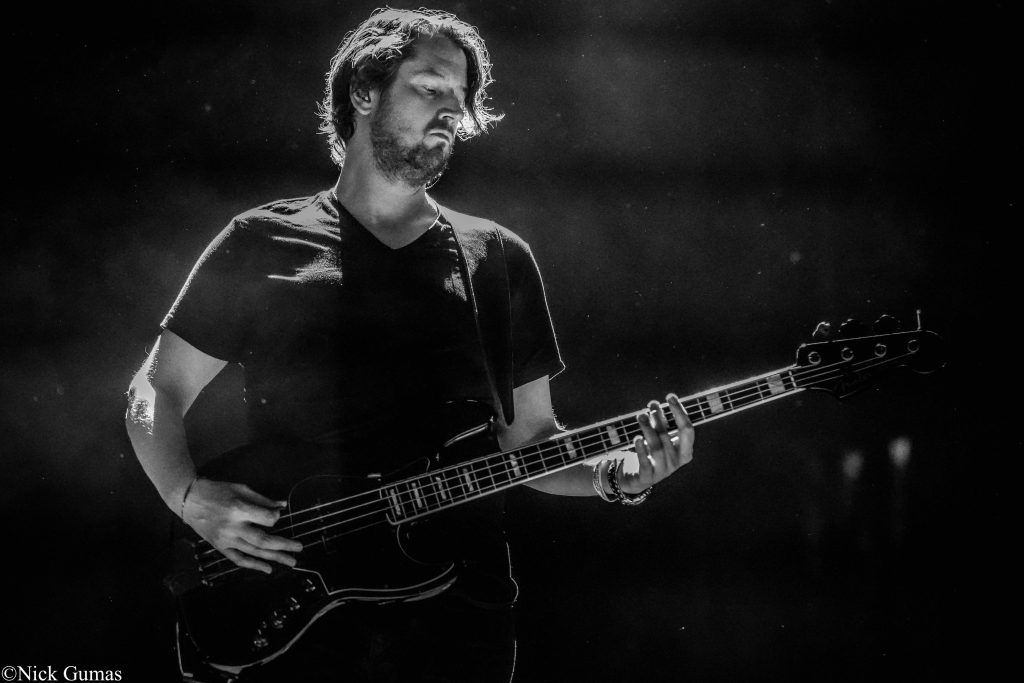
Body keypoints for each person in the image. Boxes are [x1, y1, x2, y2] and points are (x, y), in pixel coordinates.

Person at [125, 8, 694, 682]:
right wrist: (187, 494)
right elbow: (155, 388)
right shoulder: (261, 241)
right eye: (430, 87)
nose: (452, 109)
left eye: (461, 95)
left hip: (458, 624)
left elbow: (530, 441)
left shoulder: (498, 258)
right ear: (364, 92)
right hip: (296, 615)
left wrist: (615, 476)